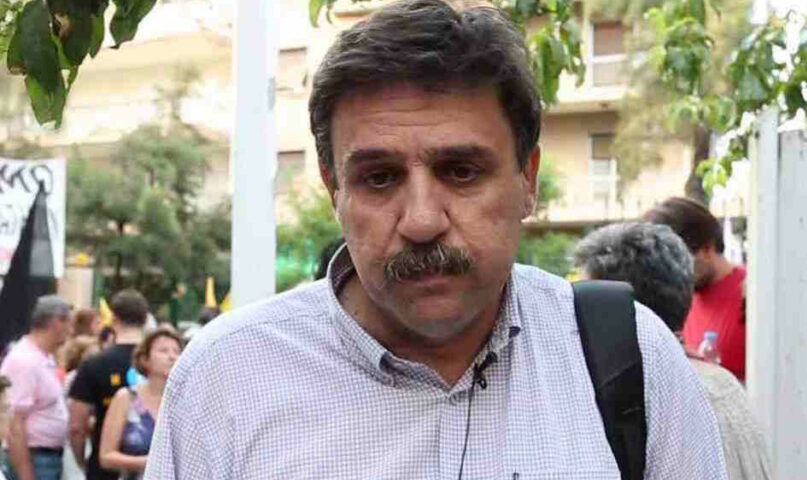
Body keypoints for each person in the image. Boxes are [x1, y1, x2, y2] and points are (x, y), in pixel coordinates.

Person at [145, 1, 726, 478]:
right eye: (379, 177)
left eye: (461, 171)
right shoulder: (226, 381)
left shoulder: (634, 361)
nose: (421, 221)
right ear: (333, 188)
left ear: (527, 179)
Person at [573, 222, 773, 479]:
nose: (577, 322)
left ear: (617, 313)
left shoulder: (653, 398)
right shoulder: (721, 383)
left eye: (587, 308)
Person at [644, 197, 747, 381]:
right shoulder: (673, 298)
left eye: (677, 261)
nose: (671, 271)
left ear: (706, 249)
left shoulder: (750, 293)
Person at [68, 290, 149, 480]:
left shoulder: (93, 363)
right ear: (145, 320)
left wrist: (82, 460)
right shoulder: (159, 363)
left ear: (113, 319)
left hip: (105, 469)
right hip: (152, 467)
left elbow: (77, 425)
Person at [0, 296, 73, 480]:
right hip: (34, 458)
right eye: (68, 323)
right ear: (56, 322)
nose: (71, 330)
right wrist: (26, 475)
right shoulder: (24, 360)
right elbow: (15, 423)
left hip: (47, 458)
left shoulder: (44, 357)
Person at [99, 328, 182, 480]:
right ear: (145, 359)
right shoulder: (126, 398)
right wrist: (149, 463)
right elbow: (106, 457)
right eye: (163, 351)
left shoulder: (185, 401)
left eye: (177, 352)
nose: (172, 357)